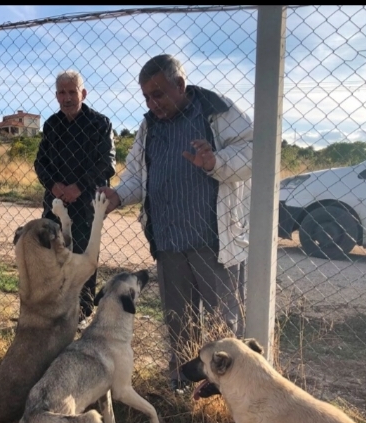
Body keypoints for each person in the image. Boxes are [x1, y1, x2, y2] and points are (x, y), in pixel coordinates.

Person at [98, 54, 253, 392]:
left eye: (158, 94)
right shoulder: (149, 126)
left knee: (223, 323)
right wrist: (118, 195)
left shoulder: (217, 111)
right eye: (146, 97)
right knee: (178, 320)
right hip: (168, 240)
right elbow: (136, 175)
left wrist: (216, 161)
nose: (152, 104)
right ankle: (180, 385)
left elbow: (255, 149)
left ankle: (225, 392)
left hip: (213, 240)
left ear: (180, 85)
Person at [35, 70, 116, 324]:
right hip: (55, 204)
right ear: (56, 95)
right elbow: (40, 163)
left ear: (83, 93)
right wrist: (54, 186)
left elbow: (107, 163)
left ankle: (81, 316)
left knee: (82, 260)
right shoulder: (52, 124)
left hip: (86, 206)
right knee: (51, 257)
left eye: (72, 92)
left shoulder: (99, 123)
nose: (67, 97)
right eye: (62, 92)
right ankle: (53, 313)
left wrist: (78, 187)